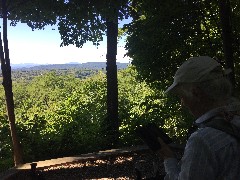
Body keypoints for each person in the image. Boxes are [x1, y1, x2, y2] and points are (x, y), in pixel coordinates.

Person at [158, 56, 240, 179]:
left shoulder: (202, 141)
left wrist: (169, 159)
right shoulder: (235, 119)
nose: (183, 103)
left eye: (182, 96)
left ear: (196, 93)